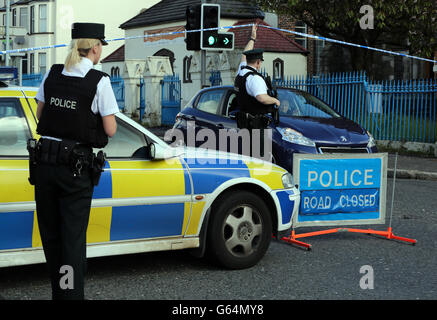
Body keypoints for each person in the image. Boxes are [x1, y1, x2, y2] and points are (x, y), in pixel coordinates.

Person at [31, 22, 119, 300]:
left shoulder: (53, 72)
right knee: (71, 239)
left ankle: (61, 291)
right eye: (101, 45)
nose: (101, 49)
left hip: (44, 165)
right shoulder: (99, 81)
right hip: (74, 169)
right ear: (95, 48)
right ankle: (69, 295)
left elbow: (40, 114)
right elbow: (110, 130)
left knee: (52, 236)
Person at [234, 24, 280, 158]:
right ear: (258, 62)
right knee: (259, 159)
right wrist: (275, 100)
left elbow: (244, 54)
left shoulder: (242, 72)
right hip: (256, 127)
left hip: (245, 124)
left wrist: (252, 38)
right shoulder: (255, 78)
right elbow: (261, 97)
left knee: (247, 157)